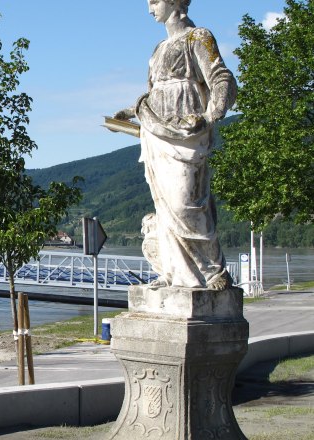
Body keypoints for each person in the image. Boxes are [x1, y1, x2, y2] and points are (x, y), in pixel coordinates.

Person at [114, 0, 236, 289]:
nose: (149, 9)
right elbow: (156, 93)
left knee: (186, 202)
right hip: (156, 131)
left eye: (155, 1)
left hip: (188, 131)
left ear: (174, 1)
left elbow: (220, 76)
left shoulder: (198, 37)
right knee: (165, 205)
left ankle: (211, 271)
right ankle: (174, 272)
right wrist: (133, 110)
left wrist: (212, 113)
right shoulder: (158, 50)